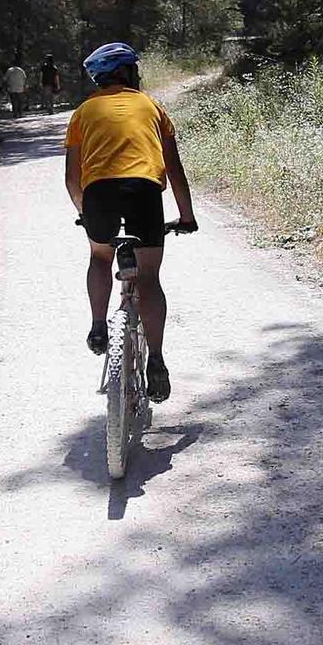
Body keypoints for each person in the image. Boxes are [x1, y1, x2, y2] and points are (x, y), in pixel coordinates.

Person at [65, 41, 197, 402]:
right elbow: (174, 168)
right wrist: (186, 216)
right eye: (135, 70)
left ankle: (96, 326)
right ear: (126, 72)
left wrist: (84, 213)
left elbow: (72, 178)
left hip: (98, 197)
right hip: (143, 194)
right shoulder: (152, 106)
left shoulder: (83, 113)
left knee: (100, 257)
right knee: (149, 278)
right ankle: (155, 359)